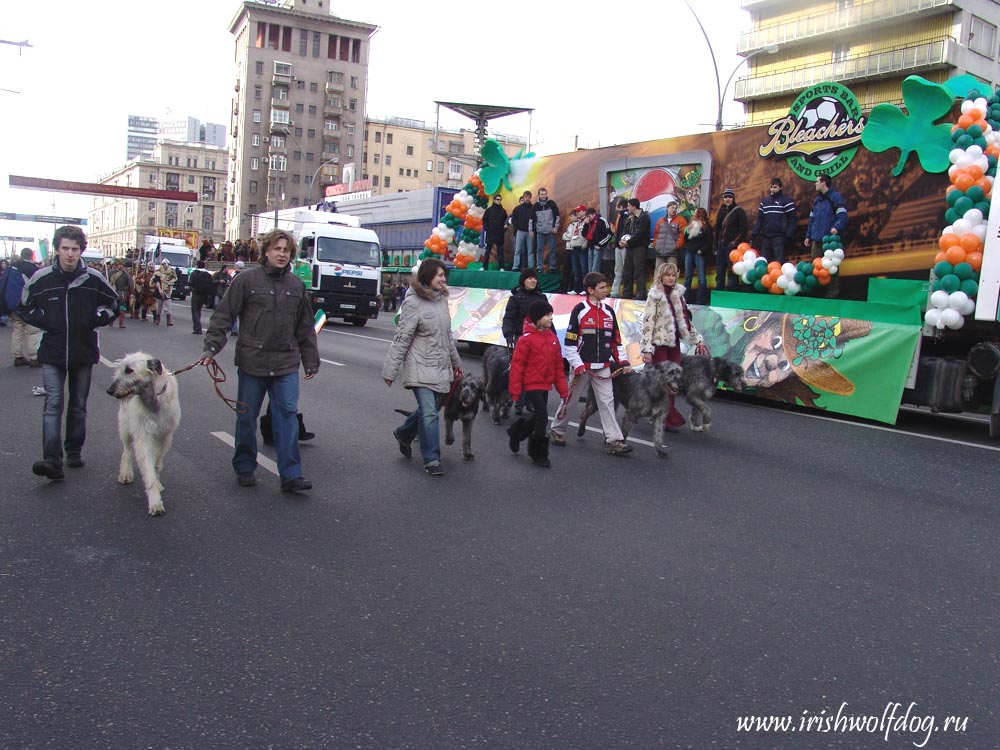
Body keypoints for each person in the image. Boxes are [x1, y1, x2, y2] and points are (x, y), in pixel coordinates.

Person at [200, 228, 320, 493]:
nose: (281, 254)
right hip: (252, 362)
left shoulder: (296, 286)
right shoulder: (247, 280)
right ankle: (244, 466)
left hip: (285, 363)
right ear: (265, 251)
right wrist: (211, 348)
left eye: (286, 250)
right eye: (277, 249)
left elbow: (305, 327)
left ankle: (291, 475)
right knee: (246, 417)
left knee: (287, 416)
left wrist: (310, 360)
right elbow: (224, 316)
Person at [20, 225, 119, 480]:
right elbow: (24, 306)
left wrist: (98, 317)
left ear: (81, 251)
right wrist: (45, 320)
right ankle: (52, 460)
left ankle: (74, 450)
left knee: (78, 406)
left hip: (83, 352)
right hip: (52, 352)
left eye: (75, 249)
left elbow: (114, 303)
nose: (70, 254)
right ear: (57, 249)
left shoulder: (93, 279)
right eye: (65, 248)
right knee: (52, 404)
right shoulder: (41, 278)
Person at [382, 258, 462, 477]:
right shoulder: (412, 302)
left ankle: (403, 434)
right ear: (428, 276)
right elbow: (402, 338)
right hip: (419, 366)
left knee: (430, 411)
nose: (444, 279)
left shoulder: (442, 301)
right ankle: (432, 459)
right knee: (429, 413)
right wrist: (391, 370)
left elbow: (447, 336)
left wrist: (456, 364)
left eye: (445, 275)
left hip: (439, 367)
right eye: (440, 275)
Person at [549, 272, 632, 455]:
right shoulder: (579, 310)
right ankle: (557, 430)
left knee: (607, 403)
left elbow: (616, 341)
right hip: (581, 367)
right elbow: (569, 343)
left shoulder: (609, 312)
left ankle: (614, 440)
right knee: (570, 401)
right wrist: (577, 365)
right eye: (601, 287)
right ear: (590, 290)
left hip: (603, 367)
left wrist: (623, 361)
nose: (606, 290)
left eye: (606, 286)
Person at [640, 261, 708, 432]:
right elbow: (648, 323)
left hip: (674, 344)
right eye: (667, 275)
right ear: (660, 277)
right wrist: (647, 349)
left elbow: (685, 320)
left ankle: (662, 413)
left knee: (672, 381)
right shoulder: (655, 295)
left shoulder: (679, 294)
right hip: (659, 344)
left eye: (673, 275)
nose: (671, 278)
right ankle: (661, 415)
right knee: (662, 381)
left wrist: (697, 340)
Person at [506, 299, 569, 468]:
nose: (551, 318)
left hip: (545, 384)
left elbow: (558, 367)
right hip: (531, 384)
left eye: (551, 315)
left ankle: (516, 433)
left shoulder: (553, 339)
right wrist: (515, 390)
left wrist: (563, 390)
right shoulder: (526, 340)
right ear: (536, 318)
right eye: (547, 315)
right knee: (542, 415)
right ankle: (538, 452)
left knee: (536, 417)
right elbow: (517, 367)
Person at [805, 173, 848, 298]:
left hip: (829, 239)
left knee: (832, 266)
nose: (815, 183)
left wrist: (837, 227)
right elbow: (811, 220)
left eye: (817, 181)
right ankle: (817, 292)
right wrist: (808, 235)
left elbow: (843, 215)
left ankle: (832, 292)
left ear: (824, 183)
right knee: (815, 267)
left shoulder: (835, 197)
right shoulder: (817, 200)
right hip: (816, 238)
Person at [4, 248, 42, 366]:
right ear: (31, 256)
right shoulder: (32, 269)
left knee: (18, 328)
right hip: (27, 304)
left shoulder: (12, 267)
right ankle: (34, 357)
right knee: (33, 330)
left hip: (12, 303)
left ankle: (18, 356)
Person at [751, 177, 797, 264]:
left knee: (779, 262)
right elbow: (760, 220)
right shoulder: (765, 202)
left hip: (779, 237)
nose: (772, 189)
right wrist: (754, 234)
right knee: (763, 262)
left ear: (780, 188)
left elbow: (792, 219)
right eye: (771, 187)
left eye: (775, 187)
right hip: (766, 237)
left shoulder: (786, 201)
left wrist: (789, 236)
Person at [714, 188, 748, 291]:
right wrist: (716, 245)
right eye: (725, 197)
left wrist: (734, 243)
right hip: (721, 246)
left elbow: (743, 230)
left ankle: (731, 292)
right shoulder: (721, 210)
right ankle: (719, 293)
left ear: (733, 198)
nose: (727, 199)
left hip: (732, 247)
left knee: (732, 271)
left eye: (729, 197)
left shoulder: (739, 211)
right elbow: (717, 229)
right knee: (720, 271)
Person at [618, 198, 652, 300]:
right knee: (627, 271)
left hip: (640, 247)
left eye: (628, 206)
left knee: (639, 270)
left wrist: (628, 242)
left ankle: (641, 294)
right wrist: (622, 240)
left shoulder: (644, 217)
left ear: (633, 206)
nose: (627, 208)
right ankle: (627, 293)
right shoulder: (629, 218)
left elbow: (639, 233)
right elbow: (625, 231)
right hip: (629, 247)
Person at [682, 207, 714, 305]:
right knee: (688, 276)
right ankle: (685, 298)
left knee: (701, 277)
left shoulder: (707, 227)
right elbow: (686, 239)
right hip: (689, 251)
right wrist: (688, 231)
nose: (693, 215)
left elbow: (709, 242)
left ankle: (700, 299)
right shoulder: (692, 225)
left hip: (699, 253)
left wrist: (702, 250)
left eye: (695, 213)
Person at [532, 187, 560, 273]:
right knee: (539, 249)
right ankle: (539, 267)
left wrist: (556, 227)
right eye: (541, 194)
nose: (543, 196)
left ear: (546, 194)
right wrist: (531, 230)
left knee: (552, 249)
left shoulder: (552, 204)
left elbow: (557, 216)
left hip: (550, 231)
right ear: (539, 195)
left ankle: (552, 267)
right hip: (540, 231)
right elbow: (531, 219)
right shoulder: (535, 206)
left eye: (544, 194)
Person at [562, 204, 589, 293]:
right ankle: (577, 289)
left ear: (584, 211)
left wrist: (586, 243)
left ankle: (585, 289)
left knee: (584, 270)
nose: (577, 213)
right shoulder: (575, 223)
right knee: (576, 270)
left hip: (582, 248)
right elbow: (570, 235)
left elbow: (588, 234)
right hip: (574, 247)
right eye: (576, 211)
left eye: (579, 211)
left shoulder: (587, 221)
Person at [651, 201, 687, 267]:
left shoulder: (681, 220)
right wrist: (656, 245)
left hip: (672, 252)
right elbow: (656, 234)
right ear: (667, 208)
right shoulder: (660, 221)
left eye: (675, 208)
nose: (674, 210)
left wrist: (676, 246)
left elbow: (682, 235)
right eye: (672, 208)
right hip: (660, 251)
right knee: (659, 272)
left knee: (672, 271)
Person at [482, 194, 509, 270]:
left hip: (499, 233)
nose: (499, 201)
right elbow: (484, 219)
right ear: (494, 200)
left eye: (500, 200)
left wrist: (504, 229)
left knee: (500, 251)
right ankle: (484, 266)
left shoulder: (503, 211)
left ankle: (501, 267)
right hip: (490, 233)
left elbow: (506, 222)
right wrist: (486, 228)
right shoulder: (489, 210)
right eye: (497, 199)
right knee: (488, 251)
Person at [188, 260, 215, 335]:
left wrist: (189, 290)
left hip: (196, 294)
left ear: (197, 265)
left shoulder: (194, 273)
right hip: (204, 295)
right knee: (199, 310)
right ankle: (197, 326)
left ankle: (197, 327)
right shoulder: (208, 274)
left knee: (195, 311)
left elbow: (191, 283)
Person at [509, 191, 534, 272]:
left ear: (530, 198)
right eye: (526, 197)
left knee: (530, 251)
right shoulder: (518, 209)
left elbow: (535, 220)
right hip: (520, 231)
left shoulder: (533, 208)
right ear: (523, 197)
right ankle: (515, 266)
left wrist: (532, 229)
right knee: (517, 250)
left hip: (530, 232)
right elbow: (513, 219)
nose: (527, 198)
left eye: (529, 197)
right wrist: (518, 226)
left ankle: (530, 267)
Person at [582, 207, 611, 275]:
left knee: (595, 269)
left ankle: (595, 284)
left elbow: (609, 235)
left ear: (594, 214)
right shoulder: (589, 223)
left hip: (598, 247)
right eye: (587, 217)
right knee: (590, 269)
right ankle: (591, 284)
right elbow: (584, 234)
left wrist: (600, 244)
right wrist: (585, 225)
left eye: (589, 216)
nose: (589, 218)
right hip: (590, 247)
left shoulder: (602, 221)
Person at [610, 197, 629, 296]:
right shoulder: (620, 216)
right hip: (618, 245)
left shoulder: (627, 217)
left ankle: (625, 291)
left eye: (618, 207)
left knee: (625, 270)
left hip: (624, 246)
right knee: (618, 270)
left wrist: (623, 242)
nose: (617, 209)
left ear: (622, 207)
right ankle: (614, 291)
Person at [151, 259, 178, 325]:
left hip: (168, 289)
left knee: (168, 305)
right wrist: (159, 287)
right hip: (160, 289)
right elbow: (155, 280)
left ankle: (168, 321)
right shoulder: (158, 272)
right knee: (159, 305)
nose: (165, 266)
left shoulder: (171, 271)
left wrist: (170, 282)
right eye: (164, 264)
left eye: (166, 264)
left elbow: (175, 278)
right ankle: (158, 319)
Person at [109, 260, 134, 329]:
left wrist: (132, 293)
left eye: (122, 265)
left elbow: (131, 284)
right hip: (113, 292)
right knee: (113, 307)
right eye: (119, 265)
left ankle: (121, 323)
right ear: (116, 265)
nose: (121, 266)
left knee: (122, 307)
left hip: (123, 293)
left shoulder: (126, 274)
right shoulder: (111, 273)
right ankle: (111, 321)